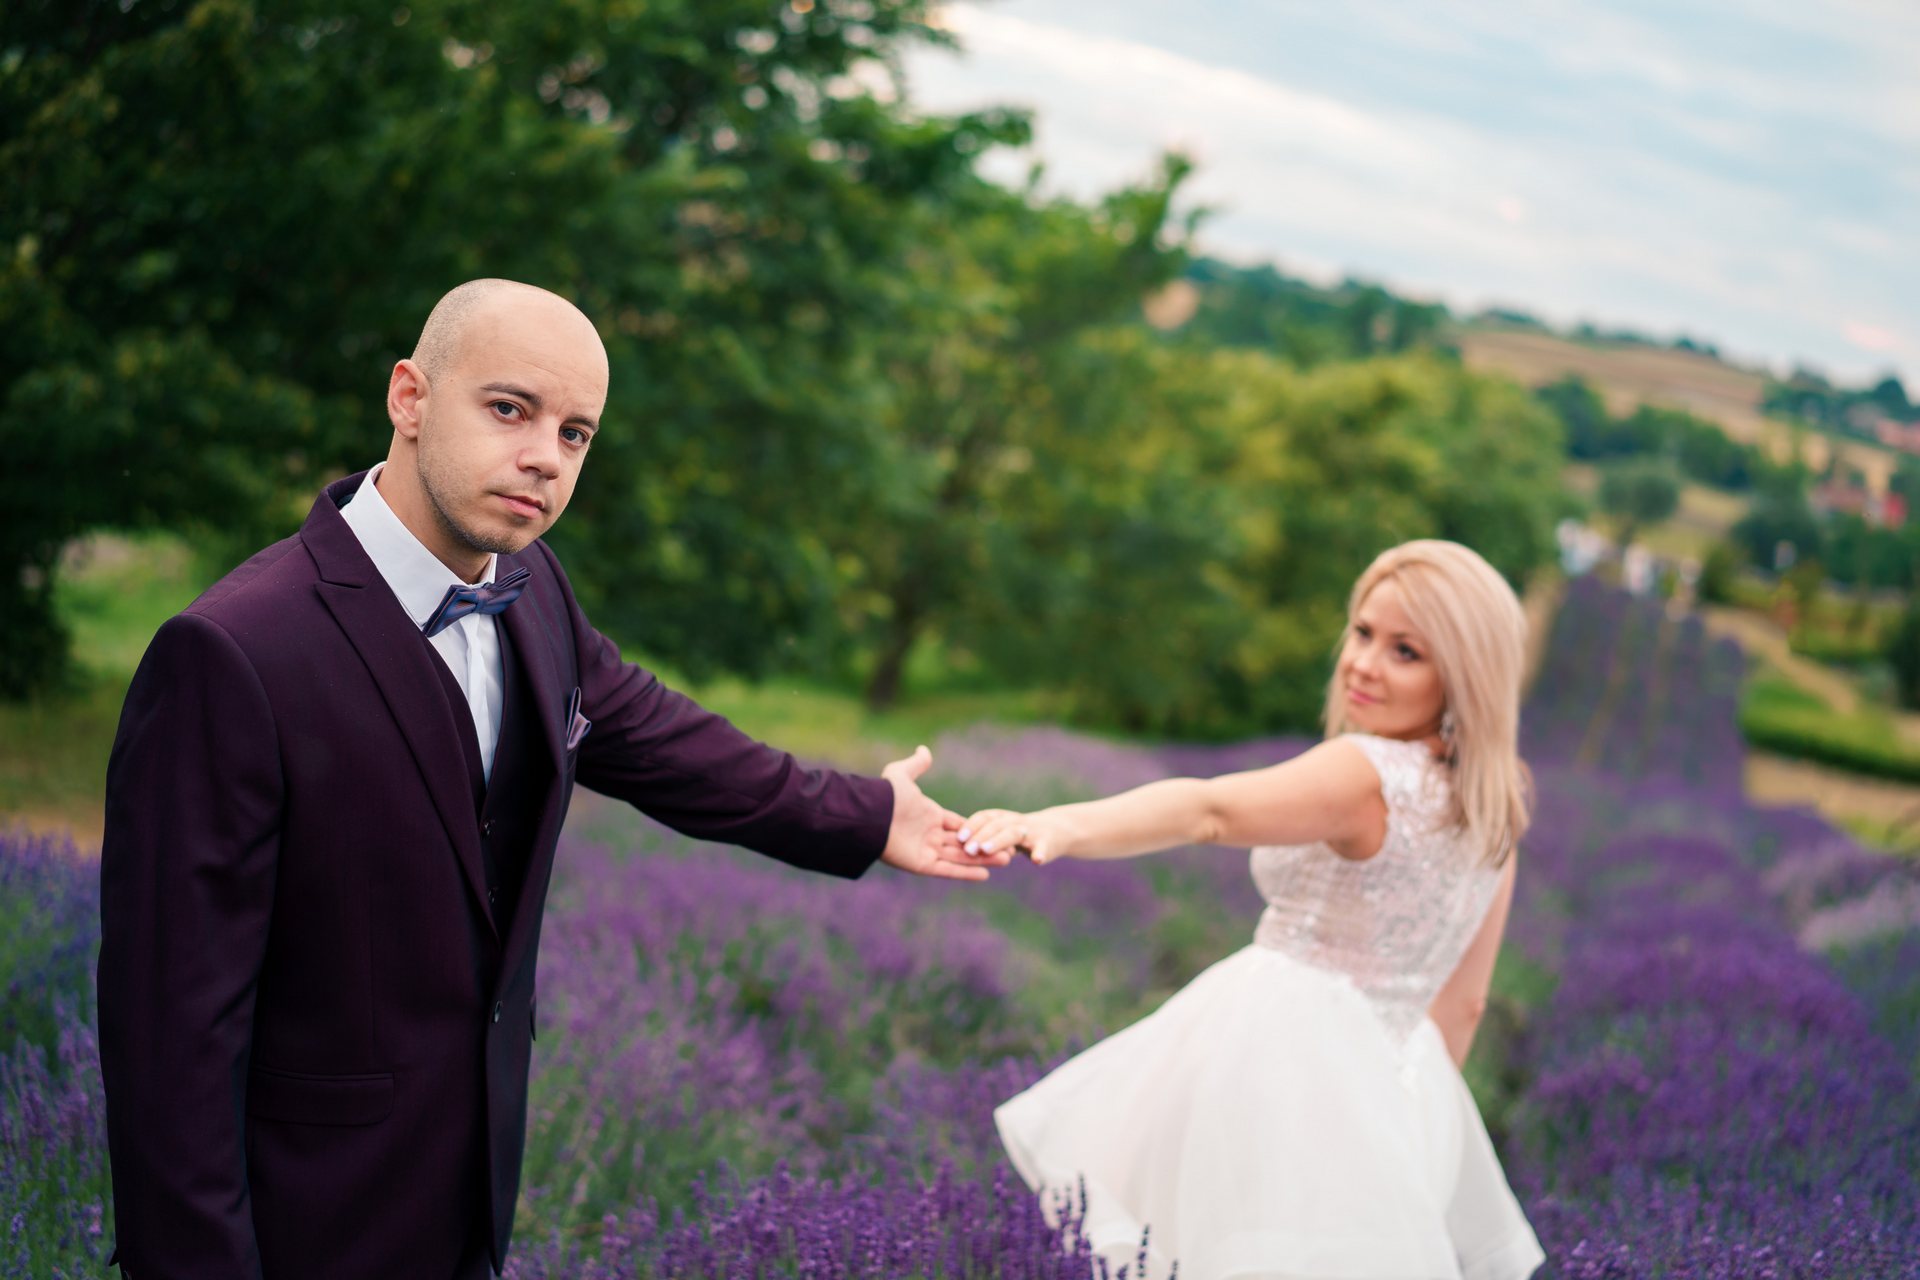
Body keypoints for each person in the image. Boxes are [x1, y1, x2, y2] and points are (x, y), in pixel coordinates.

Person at [96, 279, 1008, 1280]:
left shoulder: (534, 592)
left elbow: (663, 739)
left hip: (469, 1202)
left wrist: (869, 814)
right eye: (509, 409)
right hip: (306, 1221)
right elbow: (170, 1043)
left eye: (575, 433)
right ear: (409, 397)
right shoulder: (233, 653)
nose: (545, 457)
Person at [962, 540, 1547, 1280]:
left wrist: (1057, 825)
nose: (1363, 664)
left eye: (1406, 652)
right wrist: (1401, 1124)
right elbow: (1465, 1005)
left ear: (1463, 675)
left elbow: (1209, 811)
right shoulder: (1494, 808)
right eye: (1363, 633)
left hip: (1274, 1056)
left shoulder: (1364, 772)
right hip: (1399, 1079)